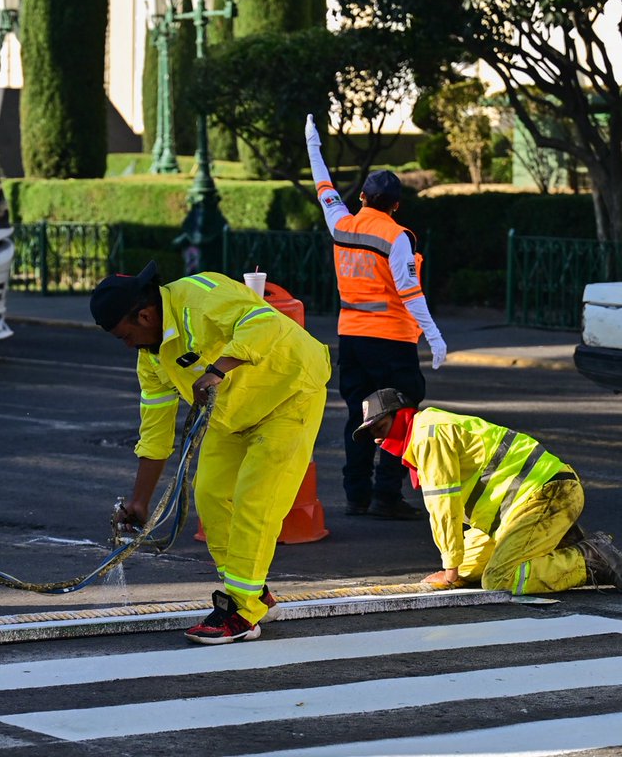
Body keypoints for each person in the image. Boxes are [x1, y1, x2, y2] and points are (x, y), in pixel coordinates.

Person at [92, 261, 330, 646]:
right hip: (233, 413)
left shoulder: (201, 297)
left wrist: (218, 370)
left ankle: (241, 611)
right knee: (212, 496)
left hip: (290, 393)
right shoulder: (152, 359)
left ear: (146, 314)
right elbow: (155, 432)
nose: (128, 344)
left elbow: (263, 323)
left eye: (127, 335)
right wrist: (140, 502)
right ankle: (251, 593)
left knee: (256, 502)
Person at [305, 114, 447, 521]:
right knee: (399, 413)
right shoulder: (396, 237)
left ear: (363, 197)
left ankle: (356, 496)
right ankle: (387, 495)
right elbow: (411, 293)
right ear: (396, 206)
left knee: (358, 414)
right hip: (393, 341)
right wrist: (434, 337)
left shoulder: (342, 224)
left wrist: (314, 146)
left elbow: (325, 189)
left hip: (351, 336)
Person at [356, 388, 622, 594]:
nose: (378, 439)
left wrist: (449, 569)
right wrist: (455, 567)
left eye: (381, 427)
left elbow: (443, 508)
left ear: (401, 414)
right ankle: (554, 541)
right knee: (467, 570)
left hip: (544, 494)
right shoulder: (428, 430)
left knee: (499, 578)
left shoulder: (429, 436)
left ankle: (588, 558)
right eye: (372, 434)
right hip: (519, 506)